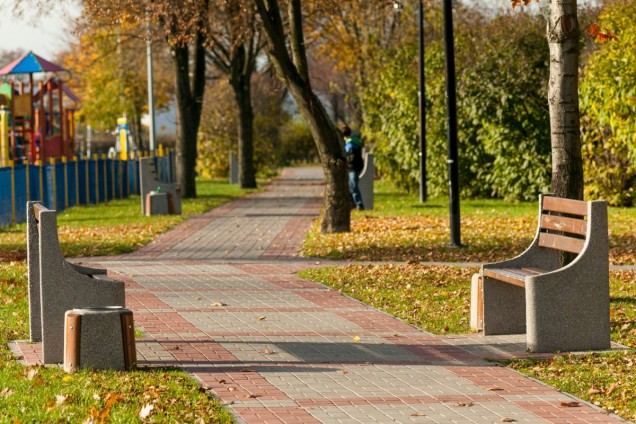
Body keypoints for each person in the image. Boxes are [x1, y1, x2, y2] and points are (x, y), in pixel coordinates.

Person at [342, 126, 365, 210]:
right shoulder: (355, 141)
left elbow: (351, 157)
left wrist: (345, 160)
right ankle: (353, 204)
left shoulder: (350, 144)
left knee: (353, 186)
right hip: (356, 166)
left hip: (353, 167)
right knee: (351, 186)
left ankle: (359, 205)